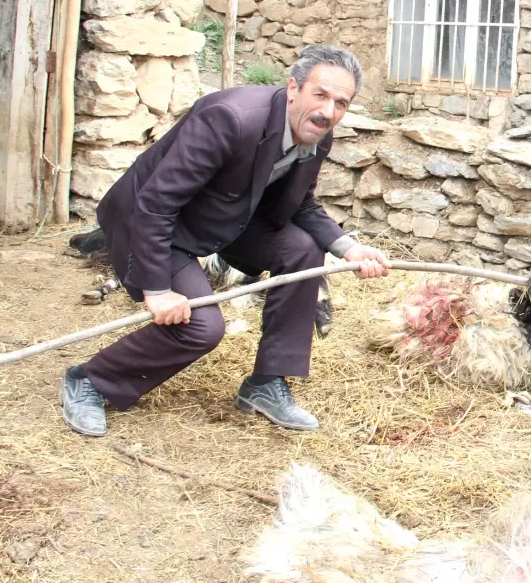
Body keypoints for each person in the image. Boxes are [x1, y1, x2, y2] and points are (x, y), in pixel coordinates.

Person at [59, 44, 390, 437]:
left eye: (341, 103)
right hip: (149, 220)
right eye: (320, 95)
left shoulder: (317, 133)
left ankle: (267, 383)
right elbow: (156, 202)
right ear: (292, 88)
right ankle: (91, 381)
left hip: (220, 216)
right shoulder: (230, 119)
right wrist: (158, 288)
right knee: (201, 327)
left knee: (302, 250)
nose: (328, 111)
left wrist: (348, 248)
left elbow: (299, 204)